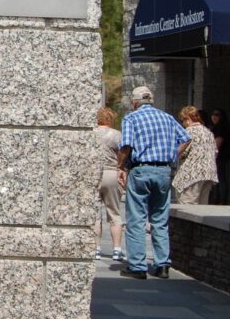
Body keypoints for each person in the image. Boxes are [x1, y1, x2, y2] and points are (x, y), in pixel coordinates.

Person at [117, 86, 192, 279]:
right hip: (164, 171)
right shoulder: (167, 118)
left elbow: (126, 145)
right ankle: (162, 265)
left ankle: (137, 266)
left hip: (141, 169)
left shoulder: (131, 118)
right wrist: (171, 155)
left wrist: (120, 166)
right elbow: (186, 138)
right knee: (159, 218)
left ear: (134, 103)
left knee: (136, 218)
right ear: (151, 100)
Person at [94, 107, 124, 261]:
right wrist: (120, 167)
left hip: (94, 174)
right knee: (114, 213)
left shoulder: (91, 133)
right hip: (111, 172)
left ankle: (96, 248)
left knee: (95, 214)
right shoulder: (116, 134)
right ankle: (117, 249)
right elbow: (124, 151)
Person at [173, 106, 219, 204]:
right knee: (201, 209)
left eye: (183, 121)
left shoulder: (189, 132)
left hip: (192, 175)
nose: (183, 124)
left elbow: (182, 153)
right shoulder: (208, 132)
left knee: (188, 207)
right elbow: (215, 152)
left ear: (188, 119)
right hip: (208, 173)